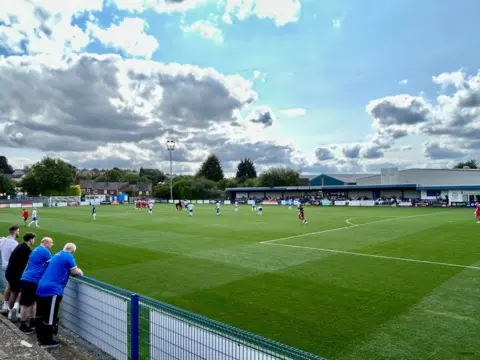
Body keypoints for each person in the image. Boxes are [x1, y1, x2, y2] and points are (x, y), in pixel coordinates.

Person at [36, 243, 83, 348]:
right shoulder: (69, 256)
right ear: (73, 251)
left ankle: (40, 338)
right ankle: (46, 341)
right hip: (52, 290)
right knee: (50, 315)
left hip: (41, 286)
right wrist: (80, 271)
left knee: (41, 314)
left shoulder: (57, 254)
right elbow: (75, 271)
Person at [19, 237, 54, 334]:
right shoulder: (44, 251)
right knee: (26, 303)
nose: (52, 245)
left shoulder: (36, 249)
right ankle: (23, 325)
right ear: (46, 243)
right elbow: (52, 264)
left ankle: (33, 322)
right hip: (31, 280)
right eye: (51, 243)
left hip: (28, 279)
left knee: (33, 302)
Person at [5, 232, 36, 322]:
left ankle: (12, 309)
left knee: (14, 291)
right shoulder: (26, 249)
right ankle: (12, 311)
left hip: (10, 273)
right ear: (30, 239)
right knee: (16, 292)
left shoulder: (20, 246)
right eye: (33, 239)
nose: (34, 241)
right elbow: (33, 259)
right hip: (15, 274)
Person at [0, 226, 20, 315]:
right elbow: (16, 256)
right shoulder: (14, 243)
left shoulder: (3, 240)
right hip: (12, 267)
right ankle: (10, 309)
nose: (19, 232)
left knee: (9, 285)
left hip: (4, 265)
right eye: (18, 231)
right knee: (14, 288)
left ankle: (6, 305)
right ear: (15, 232)